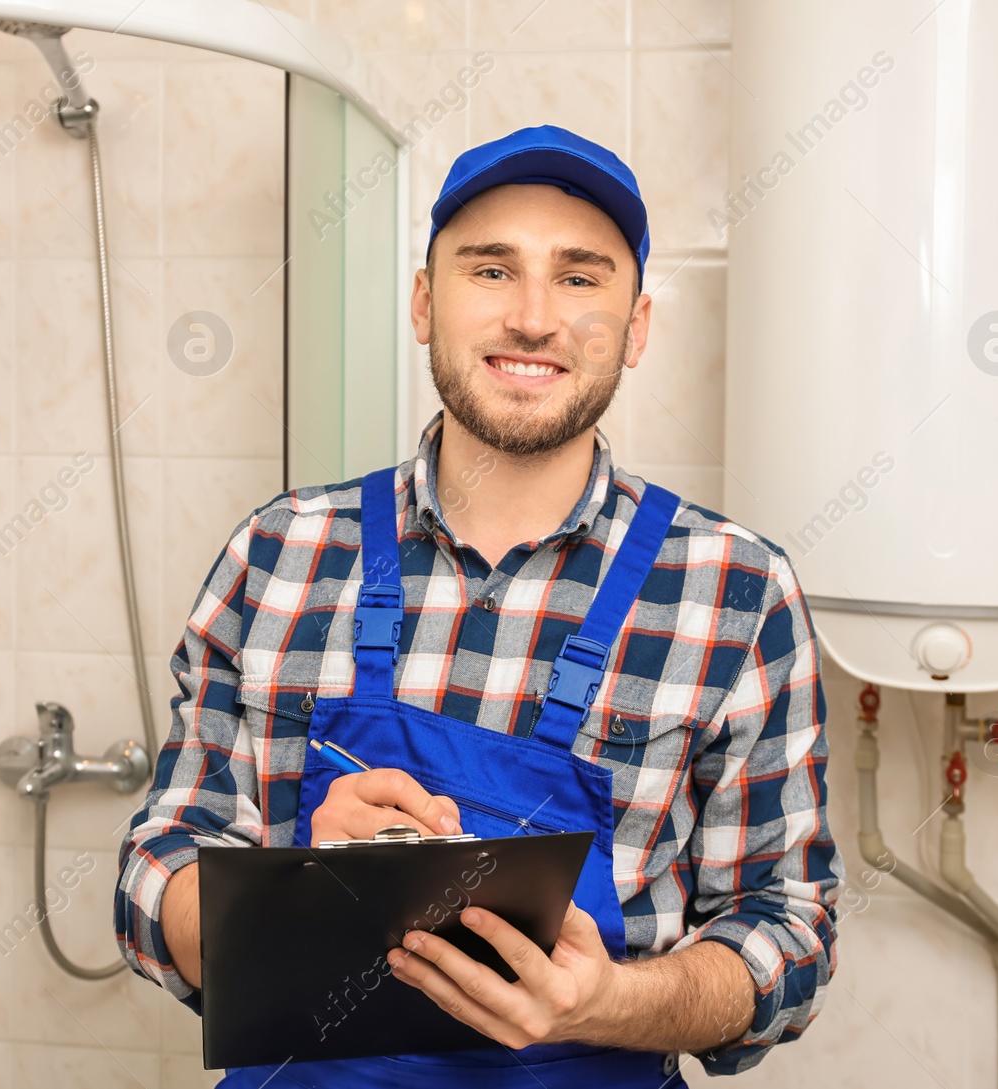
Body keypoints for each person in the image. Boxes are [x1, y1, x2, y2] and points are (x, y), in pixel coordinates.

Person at [116, 124, 841, 1088]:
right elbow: (152, 869)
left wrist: (609, 1001)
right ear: (424, 303)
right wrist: (296, 896)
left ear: (636, 327)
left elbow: (788, 927)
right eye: (490, 270)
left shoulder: (737, 592)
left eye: (580, 278)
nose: (534, 318)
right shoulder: (278, 554)